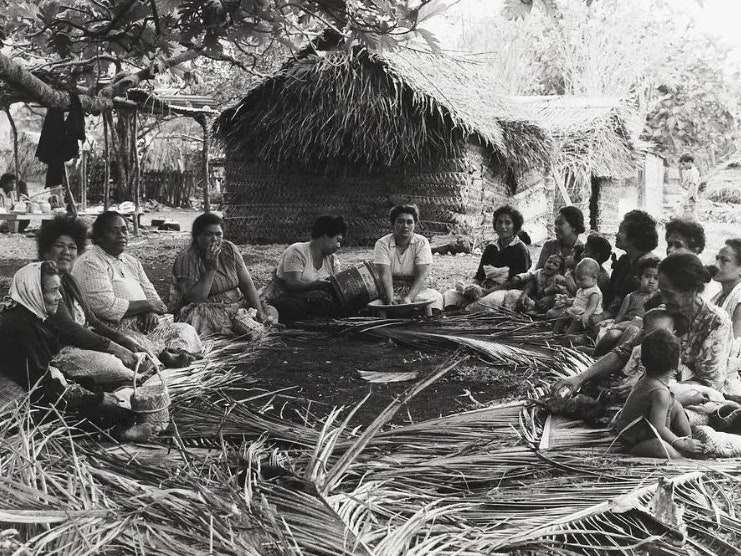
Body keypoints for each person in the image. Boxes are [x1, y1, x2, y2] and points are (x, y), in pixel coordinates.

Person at [0, 262, 158, 440]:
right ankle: (118, 432)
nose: (59, 297)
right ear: (33, 292)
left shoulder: (31, 317)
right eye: (52, 291)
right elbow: (40, 388)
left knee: (101, 397)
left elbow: (42, 371)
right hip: (14, 399)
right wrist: (93, 400)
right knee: (103, 412)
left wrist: (85, 389)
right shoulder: (19, 328)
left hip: (34, 385)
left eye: (58, 289)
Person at [554, 253, 737, 397]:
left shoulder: (715, 322)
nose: (663, 299)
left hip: (695, 394)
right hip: (658, 385)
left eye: (670, 294)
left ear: (692, 290)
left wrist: (649, 386)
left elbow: (709, 384)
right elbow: (624, 352)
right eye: (662, 292)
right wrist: (580, 377)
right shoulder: (664, 313)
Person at [72, 211, 202, 357]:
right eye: (113, 231)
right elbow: (106, 307)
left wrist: (151, 311)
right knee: (130, 343)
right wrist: (147, 305)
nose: (121, 235)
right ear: (99, 237)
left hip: (148, 326)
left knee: (185, 330)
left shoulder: (130, 261)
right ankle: (160, 357)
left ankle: (174, 353)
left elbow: (155, 299)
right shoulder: (90, 262)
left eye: (124, 230)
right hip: (114, 330)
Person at [37, 216, 140, 369]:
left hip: (80, 344)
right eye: (59, 246)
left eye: (72, 247)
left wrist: (121, 339)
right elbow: (68, 327)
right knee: (114, 365)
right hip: (57, 352)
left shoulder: (69, 280)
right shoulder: (43, 280)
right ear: (46, 251)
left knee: (135, 347)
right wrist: (115, 347)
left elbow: (92, 321)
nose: (66, 252)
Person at [173, 212, 273, 335]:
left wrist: (259, 312)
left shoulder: (229, 249)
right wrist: (211, 269)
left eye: (218, 234)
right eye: (208, 234)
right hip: (206, 310)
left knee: (269, 313)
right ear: (197, 237)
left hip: (236, 304)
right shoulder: (187, 258)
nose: (214, 239)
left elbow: (246, 284)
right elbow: (194, 298)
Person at [613, 328, 703, 459]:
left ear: (643, 361)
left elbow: (665, 404)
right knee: (661, 447)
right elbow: (658, 428)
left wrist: (691, 399)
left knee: (676, 405)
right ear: (677, 363)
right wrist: (681, 444)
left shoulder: (648, 379)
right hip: (636, 442)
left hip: (649, 431)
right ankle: (682, 455)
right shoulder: (659, 392)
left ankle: (687, 442)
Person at [443, 205, 531, 310]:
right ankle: (454, 311)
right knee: (449, 295)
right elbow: (480, 276)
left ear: (515, 226)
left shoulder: (520, 249)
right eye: (499, 222)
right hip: (485, 288)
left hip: (506, 291)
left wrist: (489, 291)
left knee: (483, 303)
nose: (503, 226)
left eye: (508, 223)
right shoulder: (491, 247)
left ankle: (464, 311)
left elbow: (516, 282)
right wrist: (469, 286)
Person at [262, 215, 346, 324]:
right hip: (288, 299)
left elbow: (338, 286)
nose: (338, 245)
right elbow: (291, 284)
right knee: (292, 306)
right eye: (337, 240)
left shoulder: (332, 260)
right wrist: (316, 285)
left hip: (314, 303)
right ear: (325, 236)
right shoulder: (297, 251)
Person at [373, 204, 443, 316]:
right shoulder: (382, 243)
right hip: (390, 289)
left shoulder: (421, 242)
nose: (405, 226)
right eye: (400, 221)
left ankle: (424, 321)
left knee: (435, 297)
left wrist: (409, 298)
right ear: (393, 223)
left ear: (415, 224)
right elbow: (385, 275)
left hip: (415, 290)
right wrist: (390, 298)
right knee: (376, 303)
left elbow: (421, 276)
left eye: (409, 222)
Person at [593, 255, 660, 356]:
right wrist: (617, 325)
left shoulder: (658, 299)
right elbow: (619, 318)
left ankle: (614, 357)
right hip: (624, 326)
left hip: (641, 330)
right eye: (647, 276)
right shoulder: (631, 296)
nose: (651, 281)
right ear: (639, 278)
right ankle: (596, 354)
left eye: (656, 278)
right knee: (612, 334)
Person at [601, 210, 659, 320]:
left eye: (621, 231)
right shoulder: (624, 260)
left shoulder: (650, 267)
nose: (616, 234)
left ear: (634, 238)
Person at [552, 258, 603, 334]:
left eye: (581, 279)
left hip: (589, 315)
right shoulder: (582, 288)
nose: (578, 282)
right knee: (563, 315)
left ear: (594, 278)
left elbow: (591, 307)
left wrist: (586, 315)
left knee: (576, 322)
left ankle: (568, 336)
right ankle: (556, 332)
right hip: (578, 311)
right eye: (577, 278)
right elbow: (578, 301)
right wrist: (567, 300)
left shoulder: (594, 292)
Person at [711, 239, 741, 338]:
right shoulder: (719, 295)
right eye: (717, 259)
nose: (715, 265)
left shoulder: (739, 302)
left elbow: (736, 348)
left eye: (724, 260)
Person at [582, 233, 612, 297]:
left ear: (595, 256)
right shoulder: (588, 272)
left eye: (585, 251)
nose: (581, 254)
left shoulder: (600, 278)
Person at [678, 154, 700, 219]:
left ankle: (699, 228)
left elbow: (692, 186)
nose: (683, 166)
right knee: (686, 216)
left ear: (690, 162)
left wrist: (686, 199)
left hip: (690, 198)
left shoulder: (693, 172)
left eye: (684, 164)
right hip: (687, 197)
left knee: (691, 217)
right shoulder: (688, 171)